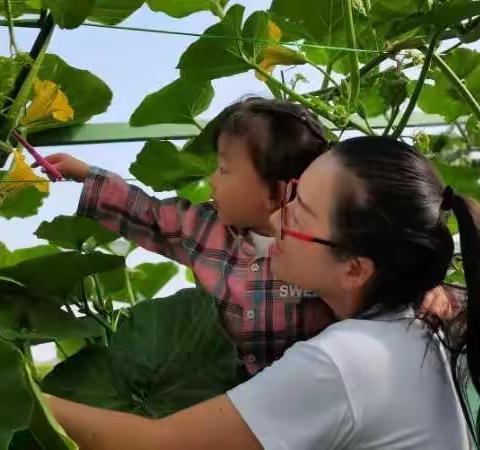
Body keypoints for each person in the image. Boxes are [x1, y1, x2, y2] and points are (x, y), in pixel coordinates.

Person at [46, 136, 478, 449]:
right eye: (294, 193)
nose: (278, 215)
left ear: (355, 269)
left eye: (300, 214)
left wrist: (27, 394)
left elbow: (159, 444)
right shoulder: (428, 317)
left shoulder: (343, 360)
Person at [39, 97, 335, 376]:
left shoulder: (332, 249)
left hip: (306, 396)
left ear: (279, 193)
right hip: (221, 395)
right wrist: (86, 174)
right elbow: (148, 214)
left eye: (224, 169)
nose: (212, 180)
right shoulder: (205, 227)